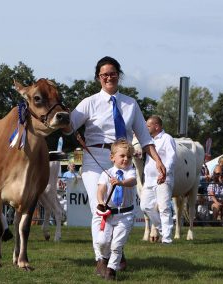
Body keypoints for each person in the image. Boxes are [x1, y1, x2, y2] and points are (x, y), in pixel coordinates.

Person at [63, 56, 166, 272]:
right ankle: (101, 259)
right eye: (104, 74)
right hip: (95, 158)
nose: (109, 77)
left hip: (124, 161)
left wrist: (157, 161)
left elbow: (145, 137)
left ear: (119, 74)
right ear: (98, 78)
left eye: (112, 73)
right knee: (99, 207)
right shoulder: (89, 103)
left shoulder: (131, 103)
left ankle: (115, 251)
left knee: (120, 208)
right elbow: (67, 125)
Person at [95, 139, 137, 280]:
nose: (126, 159)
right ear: (112, 157)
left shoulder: (131, 172)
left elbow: (132, 182)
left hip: (125, 215)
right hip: (109, 215)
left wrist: (121, 182)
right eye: (122, 156)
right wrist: (101, 202)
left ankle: (111, 270)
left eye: (129, 157)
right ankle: (104, 258)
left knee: (117, 244)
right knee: (102, 242)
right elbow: (100, 190)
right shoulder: (106, 173)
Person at [140, 115, 176, 244]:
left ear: (156, 126)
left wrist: (165, 172)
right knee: (144, 206)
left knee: (164, 208)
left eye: (148, 126)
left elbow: (171, 157)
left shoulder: (167, 139)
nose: (146, 128)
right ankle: (162, 229)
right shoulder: (148, 140)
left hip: (163, 178)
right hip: (149, 179)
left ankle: (167, 239)